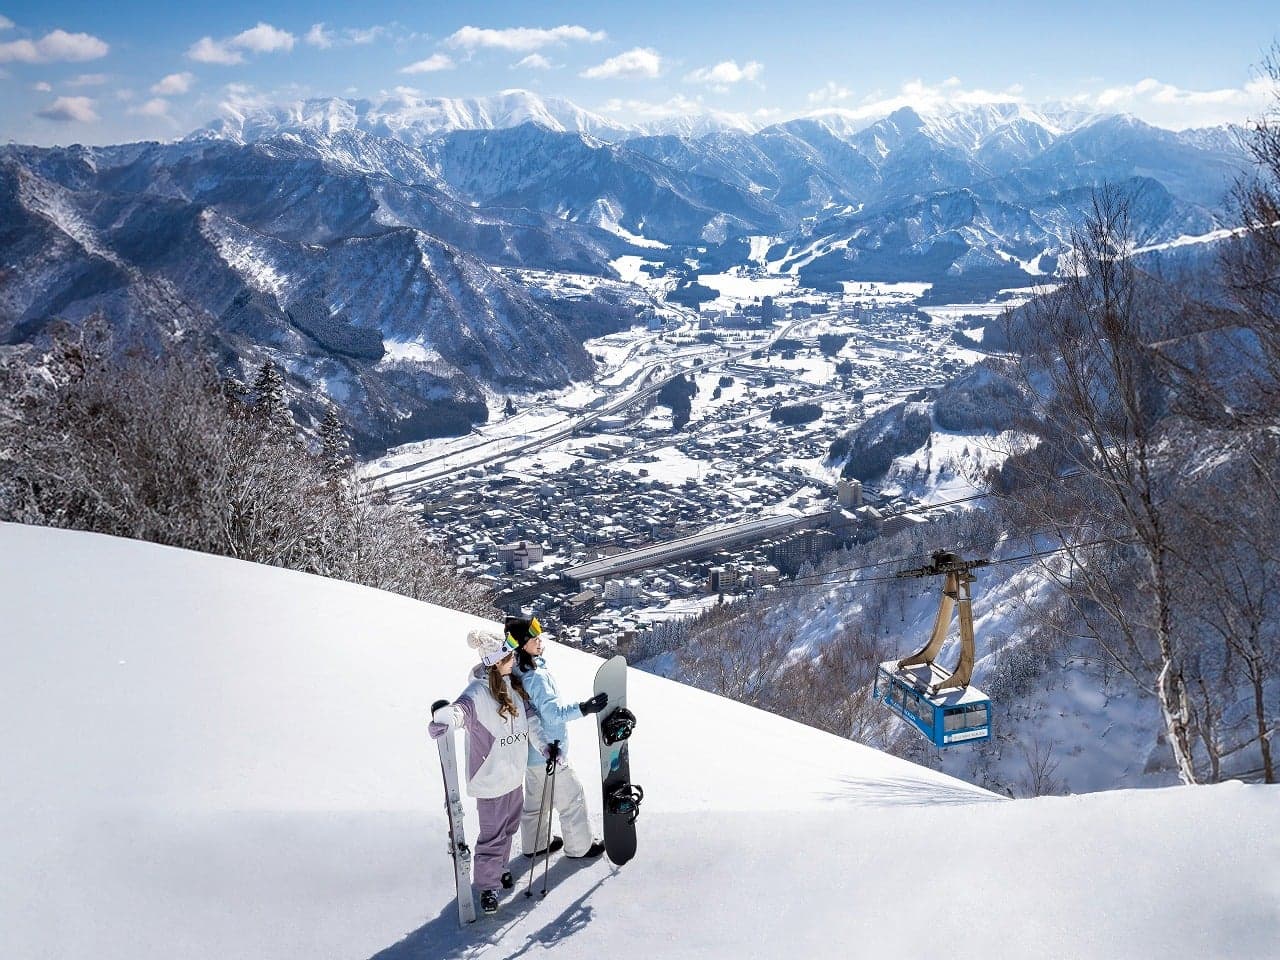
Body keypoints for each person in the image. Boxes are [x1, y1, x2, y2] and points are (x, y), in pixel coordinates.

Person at [430, 628, 549, 916]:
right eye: (508, 656)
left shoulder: (513, 686)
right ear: (496, 661)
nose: (513, 659)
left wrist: (546, 747)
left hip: (512, 774)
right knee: (491, 836)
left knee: (508, 829)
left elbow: (531, 722)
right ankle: (487, 888)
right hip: (491, 777)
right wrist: (446, 720)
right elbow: (460, 712)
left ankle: (500, 869)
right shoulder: (477, 693)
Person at [506, 614, 608, 861]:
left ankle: (535, 845)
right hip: (550, 751)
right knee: (572, 798)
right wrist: (584, 708)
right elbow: (552, 715)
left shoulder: (517, 671)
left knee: (535, 804)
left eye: (540, 638)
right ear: (521, 644)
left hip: (532, 754)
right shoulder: (536, 677)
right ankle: (580, 847)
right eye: (534, 639)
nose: (541, 642)